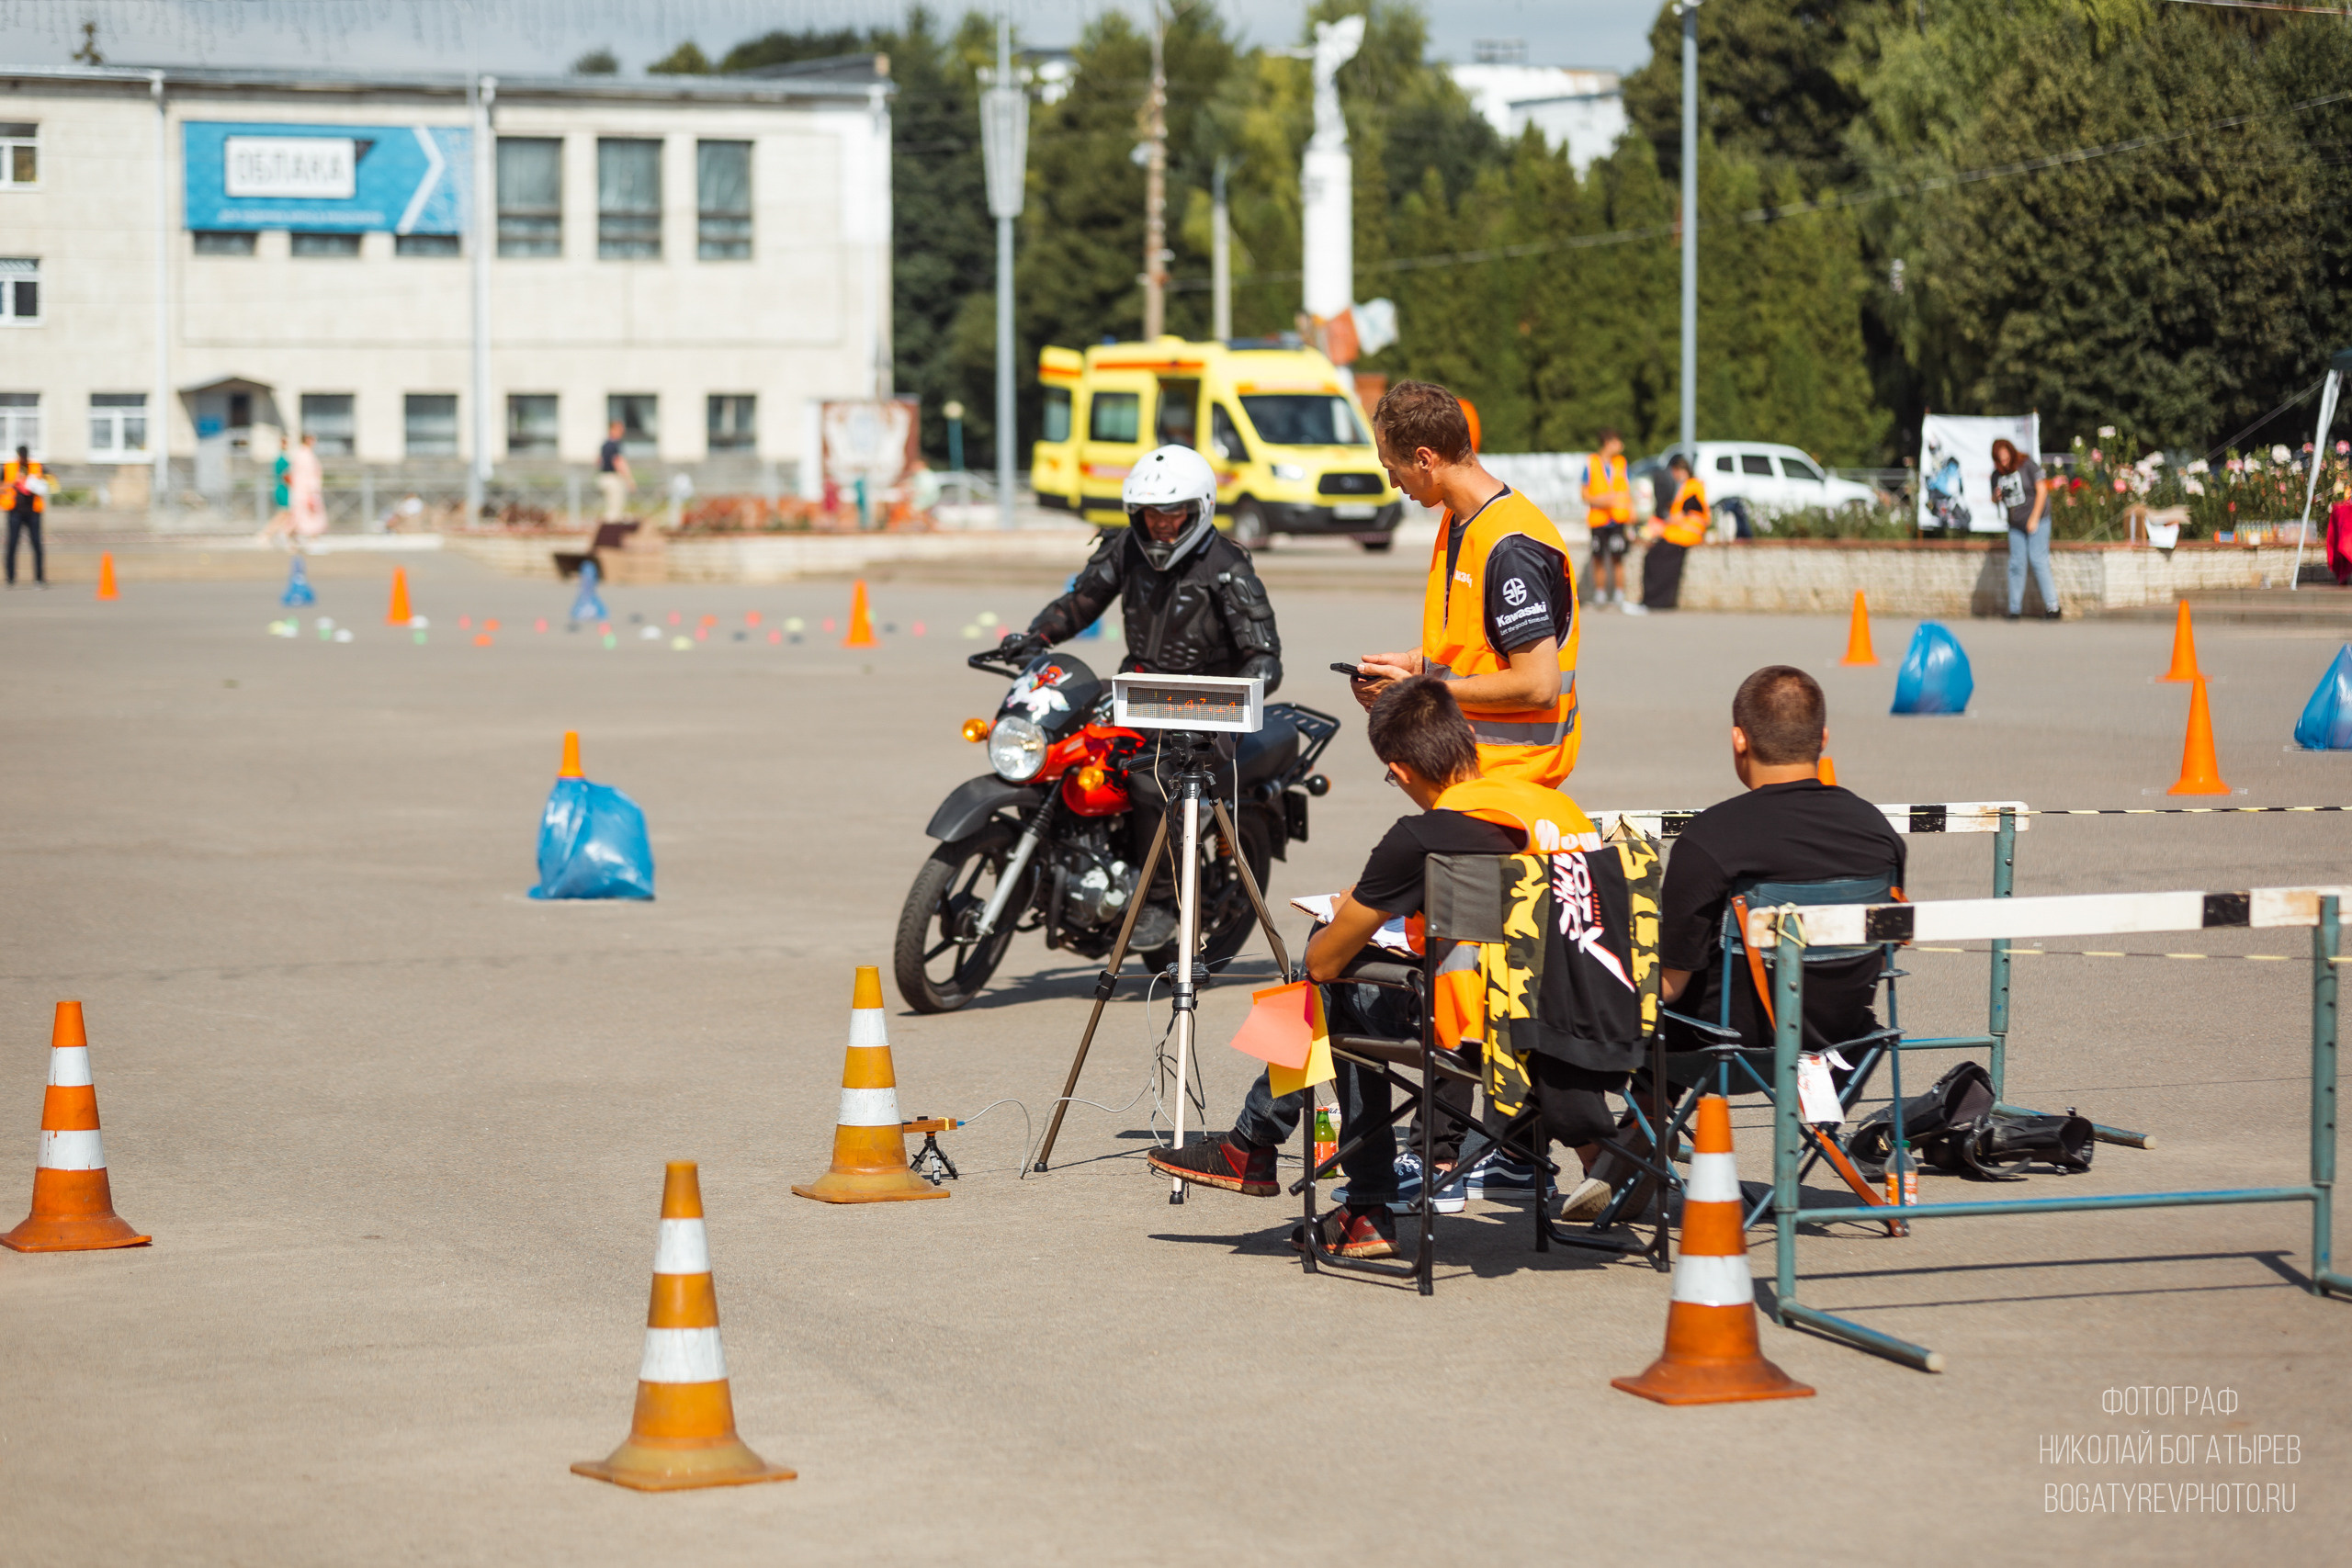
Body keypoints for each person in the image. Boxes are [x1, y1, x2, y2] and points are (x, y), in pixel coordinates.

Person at [1150, 676, 1607, 1258]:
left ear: (1401, 769)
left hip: (1484, 1032)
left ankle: (1307, 1172)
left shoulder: (1424, 836)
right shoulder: (1559, 809)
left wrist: (1349, 911)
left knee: (1325, 980)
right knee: (1337, 984)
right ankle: (1263, 1149)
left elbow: (1323, 962)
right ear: (1467, 740)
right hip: (1588, 1017)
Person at [1657, 666, 1905, 1055]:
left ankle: (1645, 1099)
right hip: (1846, 1038)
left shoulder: (1710, 837)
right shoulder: (1879, 833)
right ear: (1823, 738)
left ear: (1739, 739)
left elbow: (1669, 986)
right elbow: (1884, 942)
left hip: (1735, 1045)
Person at [1351, 379, 1580, 786]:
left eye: (1392, 468)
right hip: (1473, 774)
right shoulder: (1459, 520)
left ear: (1424, 459)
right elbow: (1479, 644)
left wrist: (1417, 690)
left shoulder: (1510, 547)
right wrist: (1415, 663)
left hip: (1511, 777)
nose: (1393, 483)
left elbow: (1538, 685)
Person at [1001, 443, 1280, 691]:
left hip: (1201, 707)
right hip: (1134, 693)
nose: (1161, 523)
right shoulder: (1125, 547)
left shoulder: (1227, 564)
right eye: (1150, 513)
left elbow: (1264, 661)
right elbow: (1077, 606)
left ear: (1200, 508)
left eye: (1173, 512)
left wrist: (1224, 705)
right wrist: (1035, 637)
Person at [1631, 452, 1708, 614]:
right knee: (1655, 560)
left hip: (1682, 536)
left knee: (1655, 561)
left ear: (1679, 470)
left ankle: (1653, 601)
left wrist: (1663, 523)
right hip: (1678, 535)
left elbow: (1685, 512)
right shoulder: (1689, 485)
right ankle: (1657, 601)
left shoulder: (1693, 486)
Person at [1993, 437, 2055, 620]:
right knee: (2016, 564)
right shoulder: (1997, 475)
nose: (2004, 463)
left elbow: (2042, 491)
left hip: (2039, 519)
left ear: (2011, 453)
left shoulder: (2026, 465)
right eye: (2000, 460)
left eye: (2006, 458)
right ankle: (2014, 609)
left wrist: (2034, 518)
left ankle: (2053, 606)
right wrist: (1996, 497)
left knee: (2037, 559)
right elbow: (1994, 499)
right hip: (2016, 524)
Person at [1582, 429, 1635, 609]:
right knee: (1598, 557)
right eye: (1617, 442)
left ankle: (1619, 594)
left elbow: (1627, 490)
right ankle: (1600, 594)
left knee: (1617, 557)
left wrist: (1631, 511)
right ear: (1608, 443)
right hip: (1599, 519)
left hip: (1617, 519)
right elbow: (1584, 493)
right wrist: (1602, 501)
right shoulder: (1591, 463)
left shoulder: (1621, 463)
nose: (1621, 446)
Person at [4, 445, 47, 587]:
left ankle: (39, 578)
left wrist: (35, 484)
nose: (23, 458)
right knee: (12, 544)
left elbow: (48, 481)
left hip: (33, 511)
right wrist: (14, 482)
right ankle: (10, 578)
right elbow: (2, 487)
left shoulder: (36, 466)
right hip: (15, 511)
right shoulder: (9, 467)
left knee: (36, 544)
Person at [288, 433, 327, 542]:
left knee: (300, 516)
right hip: (306, 491)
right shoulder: (305, 455)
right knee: (308, 516)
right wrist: (311, 492)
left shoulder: (303, 453)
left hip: (303, 490)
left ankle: (293, 537)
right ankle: (309, 538)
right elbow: (308, 475)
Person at [259, 434, 294, 547]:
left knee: (286, 514)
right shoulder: (282, 460)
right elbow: (286, 476)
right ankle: (266, 534)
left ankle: (280, 534)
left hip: (282, 488)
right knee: (283, 513)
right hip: (283, 489)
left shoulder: (280, 458)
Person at [598, 420, 633, 524]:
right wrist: (629, 480)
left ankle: (608, 529)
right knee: (615, 509)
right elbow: (618, 462)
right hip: (614, 478)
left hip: (604, 477)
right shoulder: (615, 445)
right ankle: (610, 531)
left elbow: (598, 461)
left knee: (610, 507)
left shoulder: (604, 444)